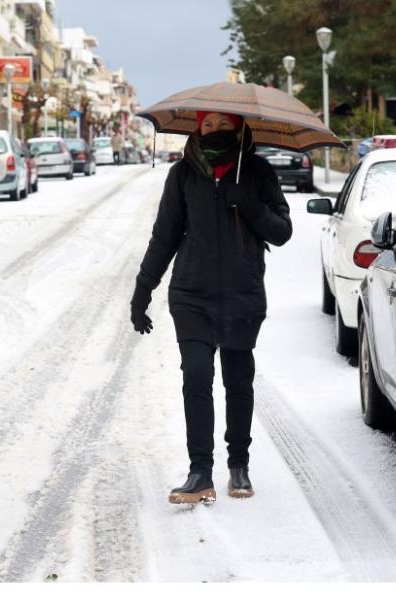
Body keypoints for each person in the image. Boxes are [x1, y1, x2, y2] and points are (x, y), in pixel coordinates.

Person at [130, 111, 292, 505]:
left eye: (223, 125)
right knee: (196, 377)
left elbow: (283, 232)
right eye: (207, 125)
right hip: (192, 294)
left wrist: (250, 206)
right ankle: (200, 471)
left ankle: (239, 465)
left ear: (239, 129)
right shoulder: (183, 174)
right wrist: (143, 288)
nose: (215, 131)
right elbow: (164, 234)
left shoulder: (257, 172)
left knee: (238, 380)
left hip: (242, 293)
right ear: (197, 129)